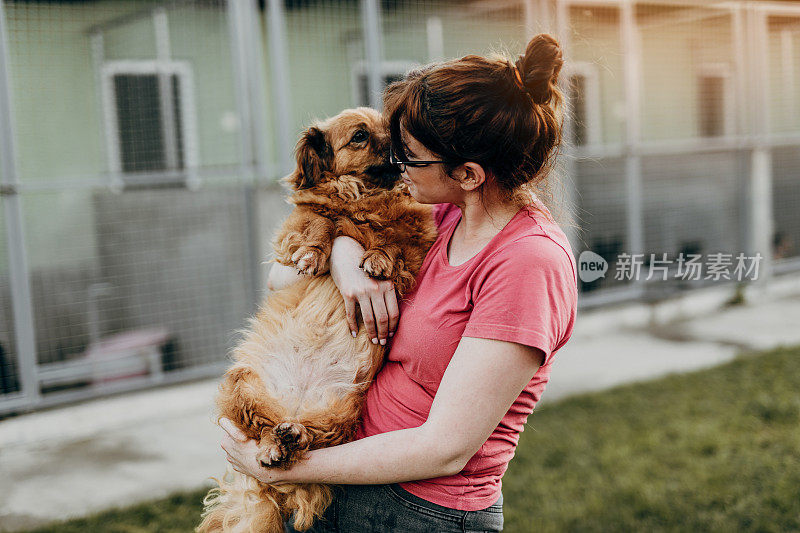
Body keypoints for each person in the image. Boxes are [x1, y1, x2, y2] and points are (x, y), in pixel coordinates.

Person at [220, 33, 578, 532]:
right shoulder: (447, 214)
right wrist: (344, 258)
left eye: (408, 155)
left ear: (470, 174)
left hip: (418, 511)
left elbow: (445, 449)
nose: (395, 165)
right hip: (347, 473)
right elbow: (299, 262)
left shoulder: (528, 264)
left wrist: (281, 468)